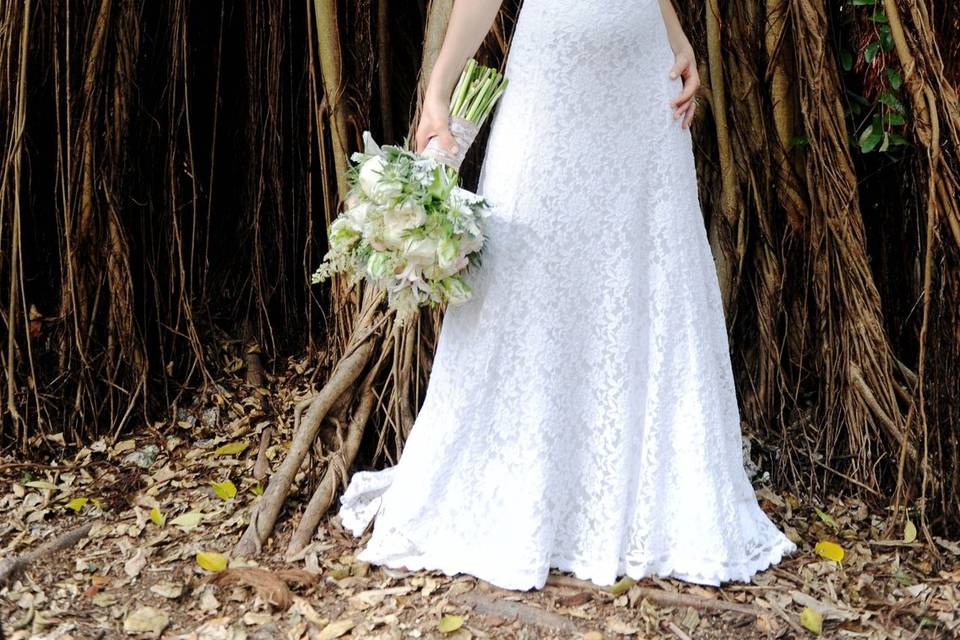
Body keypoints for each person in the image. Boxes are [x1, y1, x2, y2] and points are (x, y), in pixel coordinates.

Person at [337, 0, 797, 591]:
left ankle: (636, 500)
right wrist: (438, 89)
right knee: (528, 272)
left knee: (645, 270)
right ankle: (533, 496)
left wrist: (677, 35)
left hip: (641, 85)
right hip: (551, 80)